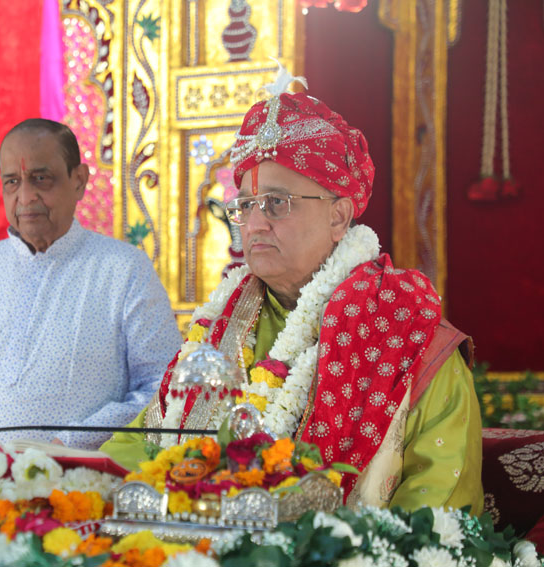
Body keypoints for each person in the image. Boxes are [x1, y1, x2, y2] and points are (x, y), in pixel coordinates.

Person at [101, 65, 483, 513]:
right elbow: (144, 445)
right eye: (246, 206)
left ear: (339, 216)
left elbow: (435, 516)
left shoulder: (410, 338)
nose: (254, 224)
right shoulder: (219, 331)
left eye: (277, 203)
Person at [0, 118, 182, 450]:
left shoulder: (124, 269)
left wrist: (71, 442)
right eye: (12, 182)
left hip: (74, 479)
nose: (26, 197)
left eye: (41, 179)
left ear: (79, 181)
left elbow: (163, 388)